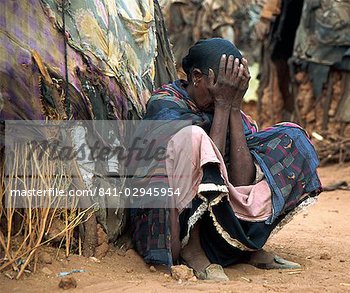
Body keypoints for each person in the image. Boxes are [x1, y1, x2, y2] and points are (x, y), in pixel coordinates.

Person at [129, 38, 321, 281]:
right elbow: (206, 164)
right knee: (194, 137)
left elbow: (243, 180)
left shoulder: (227, 103)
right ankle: (193, 251)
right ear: (196, 77)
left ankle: (243, 246)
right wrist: (221, 105)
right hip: (172, 219)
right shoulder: (166, 104)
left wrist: (232, 107)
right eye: (222, 87)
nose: (226, 93)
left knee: (290, 136)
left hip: (217, 218)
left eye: (234, 88)